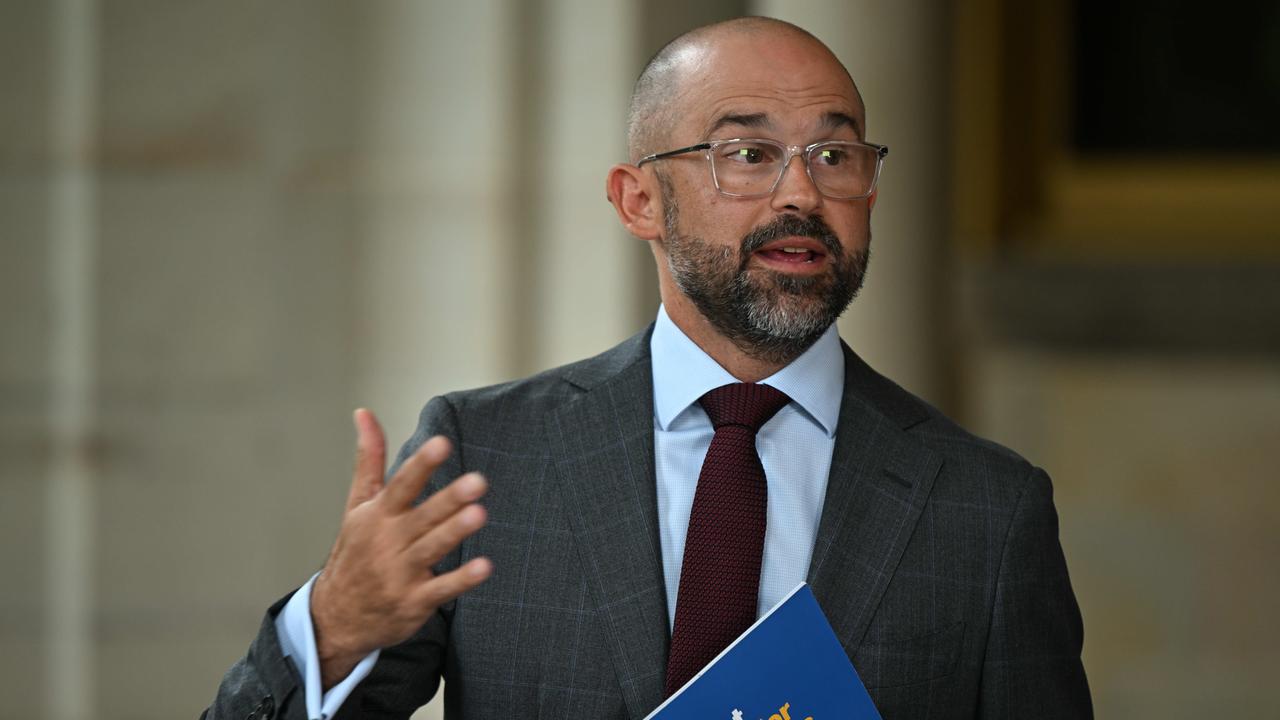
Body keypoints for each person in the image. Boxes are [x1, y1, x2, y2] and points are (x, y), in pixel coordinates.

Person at [203, 16, 1092, 720]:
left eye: (834, 155)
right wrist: (329, 629)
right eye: (746, 154)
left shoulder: (987, 511)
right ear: (639, 200)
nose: (800, 193)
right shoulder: (487, 456)